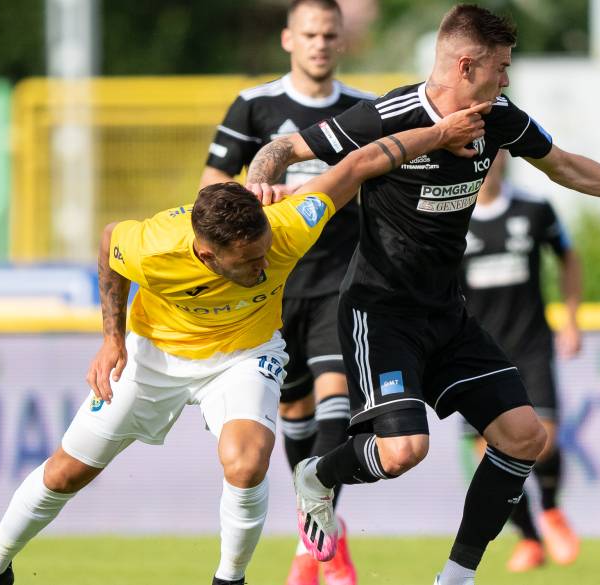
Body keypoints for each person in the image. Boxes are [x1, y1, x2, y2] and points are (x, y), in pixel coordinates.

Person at [244, 5, 600, 584]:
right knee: (403, 452)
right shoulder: (389, 115)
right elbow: (284, 149)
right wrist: (259, 180)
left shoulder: (499, 118)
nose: (507, 79)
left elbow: (564, 166)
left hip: (448, 314)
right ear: (466, 65)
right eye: (502, 66)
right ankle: (316, 474)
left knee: (524, 438)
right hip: (380, 313)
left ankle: (456, 578)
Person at [0, 102, 487, 585]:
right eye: (248, 261)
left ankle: (230, 580)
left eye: (264, 251)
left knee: (246, 463)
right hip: (154, 356)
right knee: (66, 471)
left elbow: (360, 164)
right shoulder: (156, 247)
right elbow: (110, 244)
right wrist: (111, 340)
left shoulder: (289, 224)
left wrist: (439, 134)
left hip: (245, 356)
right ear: (206, 255)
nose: (264, 266)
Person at [199, 2, 373, 583]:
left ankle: (312, 538)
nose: (319, 43)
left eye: (329, 34)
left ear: (341, 41)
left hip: (341, 280)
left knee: (337, 401)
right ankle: (322, 531)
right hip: (271, 286)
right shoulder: (254, 105)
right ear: (288, 39)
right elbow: (211, 188)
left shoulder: (363, 110)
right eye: (309, 33)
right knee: (294, 413)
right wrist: (251, 202)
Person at [460, 151, 582, 572]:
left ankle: (550, 508)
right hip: (477, 354)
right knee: (490, 454)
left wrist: (572, 320)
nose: (489, 160)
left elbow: (569, 256)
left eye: (496, 152)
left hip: (531, 345)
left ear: (505, 158)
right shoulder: (454, 217)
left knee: (542, 439)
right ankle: (530, 538)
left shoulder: (534, 210)